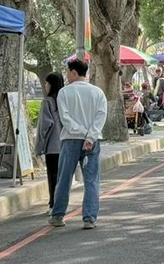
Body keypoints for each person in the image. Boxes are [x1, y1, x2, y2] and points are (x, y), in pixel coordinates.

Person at [49, 59, 107, 229]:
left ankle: (58, 215)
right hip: (92, 141)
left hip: (70, 140)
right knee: (91, 179)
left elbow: (65, 118)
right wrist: (90, 136)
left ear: (74, 72)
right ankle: (89, 218)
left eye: (68, 72)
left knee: (64, 178)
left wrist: (80, 131)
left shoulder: (64, 93)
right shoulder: (98, 92)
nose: (67, 76)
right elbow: (100, 116)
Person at [35, 72, 64, 216]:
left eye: (46, 83)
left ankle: (53, 204)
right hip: (65, 144)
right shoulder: (64, 100)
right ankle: (62, 203)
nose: (45, 85)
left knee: (52, 176)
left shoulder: (47, 102)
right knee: (62, 176)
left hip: (52, 145)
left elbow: (44, 125)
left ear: (51, 85)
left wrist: (40, 143)